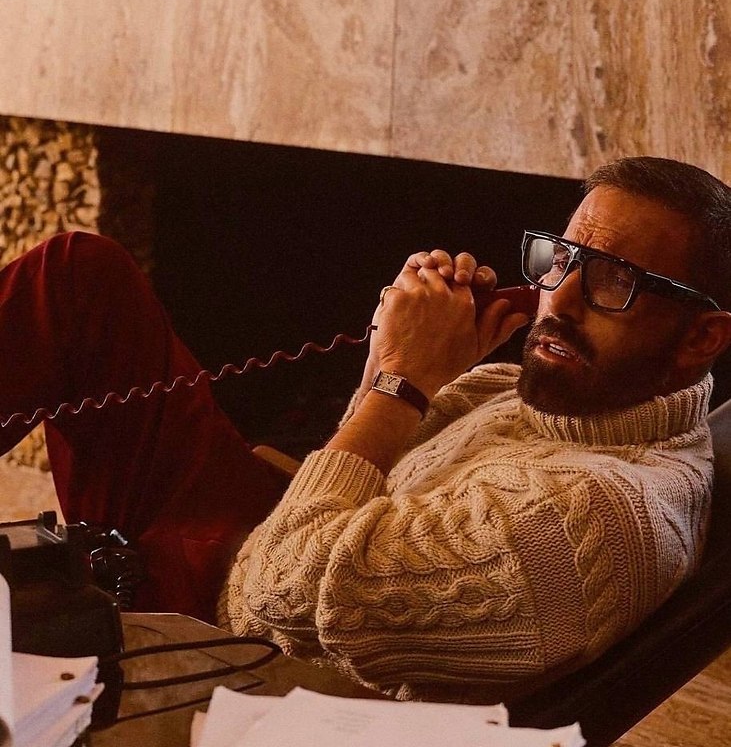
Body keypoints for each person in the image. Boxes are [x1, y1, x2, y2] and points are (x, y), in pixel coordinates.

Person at [1, 156, 730, 702]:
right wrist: (389, 360)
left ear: (701, 337)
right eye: (562, 260)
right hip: (277, 528)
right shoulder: (544, 401)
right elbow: (356, 462)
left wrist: (404, 381)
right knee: (78, 277)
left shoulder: (586, 520)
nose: (557, 301)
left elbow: (267, 597)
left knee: (74, 289)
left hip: (234, 633)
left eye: (613, 281)